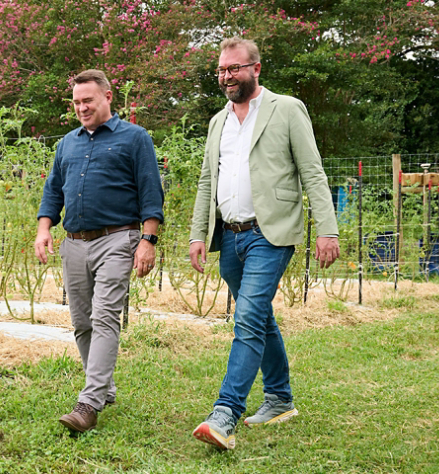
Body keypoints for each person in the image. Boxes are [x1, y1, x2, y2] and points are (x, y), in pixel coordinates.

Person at [189, 38, 340, 450]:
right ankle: (279, 399)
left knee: (248, 319)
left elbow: (312, 171)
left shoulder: (286, 109)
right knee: (259, 318)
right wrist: (198, 233)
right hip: (230, 237)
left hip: (269, 234)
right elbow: (208, 180)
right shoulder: (218, 121)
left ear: (256, 69)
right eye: (221, 70)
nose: (226, 76)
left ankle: (224, 415)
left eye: (234, 69)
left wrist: (328, 229)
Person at [35, 69, 164, 433]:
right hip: (74, 242)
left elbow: (151, 193)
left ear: (108, 96)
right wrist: (44, 230)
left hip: (117, 239)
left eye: (87, 100)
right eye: (76, 102)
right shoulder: (67, 144)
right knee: (81, 322)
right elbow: (52, 193)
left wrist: (148, 240)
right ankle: (104, 389)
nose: (81, 107)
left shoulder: (135, 139)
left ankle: (88, 403)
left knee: (106, 315)